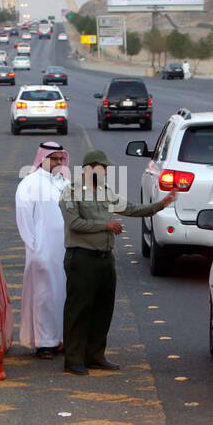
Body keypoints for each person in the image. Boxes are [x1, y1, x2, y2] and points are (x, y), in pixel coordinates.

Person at [60, 150, 175, 376]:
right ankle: (73, 358)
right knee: (79, 310)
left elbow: (130, 208)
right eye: (104, 168)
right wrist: (105, 226)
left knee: (103, 309)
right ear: (91, 168)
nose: (107, 172)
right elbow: (74, 224)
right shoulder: (71, 192)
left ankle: (95, 355)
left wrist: (161, 204)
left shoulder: (105, 191)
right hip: (82, 258)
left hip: (104, 258)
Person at [15, 141, 70, 359]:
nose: (58, 162)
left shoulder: (64, 183)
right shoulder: (30, 183)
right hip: (42, 249)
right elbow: (24, 217)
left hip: (65, 249)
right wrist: (34, 247)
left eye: (60, 159)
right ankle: (44, 343)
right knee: (44, 296)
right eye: (54, 159)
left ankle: (60, 339)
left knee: (63, 294)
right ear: (42, 159)